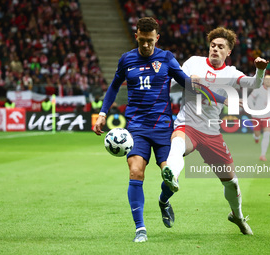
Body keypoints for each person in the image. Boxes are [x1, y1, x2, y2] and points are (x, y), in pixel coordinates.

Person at [93, 17, 201, 243]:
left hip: (162, 127)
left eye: (150, 41)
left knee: (171, 176)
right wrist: (103, 113)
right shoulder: (126, 60)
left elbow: (184, 82)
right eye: (142, 40)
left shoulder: (166, 58)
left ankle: (163, 201)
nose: (145, 45)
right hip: (136, 128)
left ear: (157, 38)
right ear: (136, 36)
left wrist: (204, 89)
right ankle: (140, 228)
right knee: (135, 172)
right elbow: (114, 86)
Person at [162, 27, 269, 235]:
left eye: (221, 47)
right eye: (213, 45)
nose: (215, 49)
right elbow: (173, 84)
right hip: (188, 124)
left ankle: (237, 216)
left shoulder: (231, 73)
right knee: (177, 142)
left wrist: (260, 70)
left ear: (228, 52)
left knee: (232, 183)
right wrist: (186, 82)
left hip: (211, 132)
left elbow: (254, 84)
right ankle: (172, 176)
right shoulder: (194, 62)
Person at [247, 74, 270, 161]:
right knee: (257, 134)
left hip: (267, 116)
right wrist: (252, 109)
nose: (267, 81)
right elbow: (249, 99)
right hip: (256, 116)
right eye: (266, 80)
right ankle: (256, 137)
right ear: (263, 81)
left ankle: (263, 155)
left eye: (269, 80)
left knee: (267, 135)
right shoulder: (258, 89)